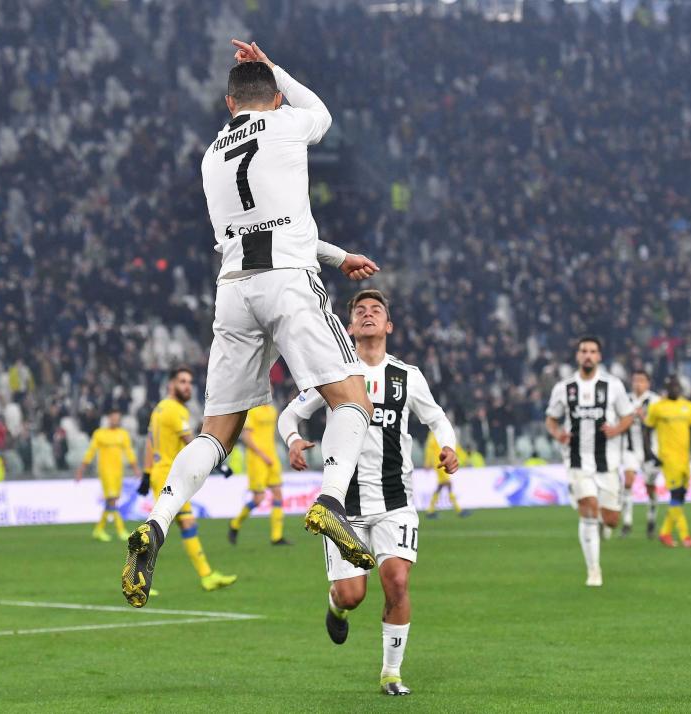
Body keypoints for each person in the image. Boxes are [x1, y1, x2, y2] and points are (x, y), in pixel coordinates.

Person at [122, 40, 381, 608]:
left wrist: (339, 257)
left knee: (216, 432)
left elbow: (267, 222)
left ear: (227, 103)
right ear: (274, 98)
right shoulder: (286, 124)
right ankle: (331, 501)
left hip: (235, 290)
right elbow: (323, 113)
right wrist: (275, 66)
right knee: (353, 399)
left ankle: (158, 522)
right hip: (289, 280)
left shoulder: (212, 155)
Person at [277, 289, 458, 696]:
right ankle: (336, 604)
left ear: (388, 325)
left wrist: (448, 445)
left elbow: (436, 416)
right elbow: (290, 412)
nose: (369, 314)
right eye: (361, 311)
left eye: (376, 310)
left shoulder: (407, 375)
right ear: (350, 327)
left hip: (396, 501)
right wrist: (292, 438)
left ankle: (391, 673)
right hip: (345, 508)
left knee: (396, 581)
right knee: (353, 594)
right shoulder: (334, 374)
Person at [135, 367, 237, 594]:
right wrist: (219, 463)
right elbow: (192, 442)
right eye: (182, 381)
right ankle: (137, 579)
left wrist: (146, 473)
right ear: (171, 384)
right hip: (170, 475)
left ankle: (206, 576)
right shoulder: (175, 409)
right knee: (162, 526)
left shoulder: (159, 409)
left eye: (189, 382)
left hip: (161, 472)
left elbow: (150, 442)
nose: (187, 386)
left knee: (184, 524)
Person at [545, 337, 634, 587]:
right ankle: (594, 570)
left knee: (611, 519)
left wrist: (616, 429)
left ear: (599, 357)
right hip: (576, 461)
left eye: (592, 351)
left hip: (607, 461)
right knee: (588, 507)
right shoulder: (564, 388)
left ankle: (604, 528)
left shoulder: (613, 386)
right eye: (584, 351)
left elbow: (628, 416)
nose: (588, 355)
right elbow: (551, 420)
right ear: (577, 356)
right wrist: (558, 434)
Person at [644, 376, 691, 548]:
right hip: (668, 458)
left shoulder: (689, 407)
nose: (675, 389)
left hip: (684, 458)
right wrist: (650, 453)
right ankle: (685, 536)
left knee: (681, 496)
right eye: (671, 386)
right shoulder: (658, 408)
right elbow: (647, 431)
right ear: (666, 388)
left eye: (677, 386)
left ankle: (665, 533)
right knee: (676, 494)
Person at [228, 402, 291, 545]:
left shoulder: (272, 410)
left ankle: (276, 537)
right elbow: (247, 438)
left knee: (278, 494)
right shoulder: (252, 411)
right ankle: (235, 524)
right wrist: (263, 455)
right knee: (259, 498)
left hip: (272, 457)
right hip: (257, 459)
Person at [76, 407, 139, 542]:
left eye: (117, 418)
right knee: (112, 500)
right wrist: (81, 469)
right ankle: (120, 529)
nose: (115, 420)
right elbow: (91, 452)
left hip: (118, 472)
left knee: (113, 500)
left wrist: (135, 468)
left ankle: (99, 530)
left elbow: (129, 452)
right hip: (106, 472)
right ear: (109, 419)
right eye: (113, 418)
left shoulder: (123, 434)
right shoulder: (99, 434)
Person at [620, 370, 660, 538]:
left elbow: (660, 424)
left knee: (649, 487)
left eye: (641, 381)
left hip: (650, 450)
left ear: (648, 383)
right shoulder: (625, 400)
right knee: (628, 482)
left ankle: (651, 517)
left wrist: (644, 418)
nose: (638, 384)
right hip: (630, 449)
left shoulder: (655, 401)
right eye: (635, 380)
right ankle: (627, 523)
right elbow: (618, 421)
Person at [423, 431, 470, 518]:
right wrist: (427, 462)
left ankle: (430, 511)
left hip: (444, 462)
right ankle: (459, 510)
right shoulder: (434, 433)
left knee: (441, 485)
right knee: (448, 484)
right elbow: (430, 448)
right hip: (439, 462)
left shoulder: (444, 431)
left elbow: (455, 446)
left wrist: (465, 458)